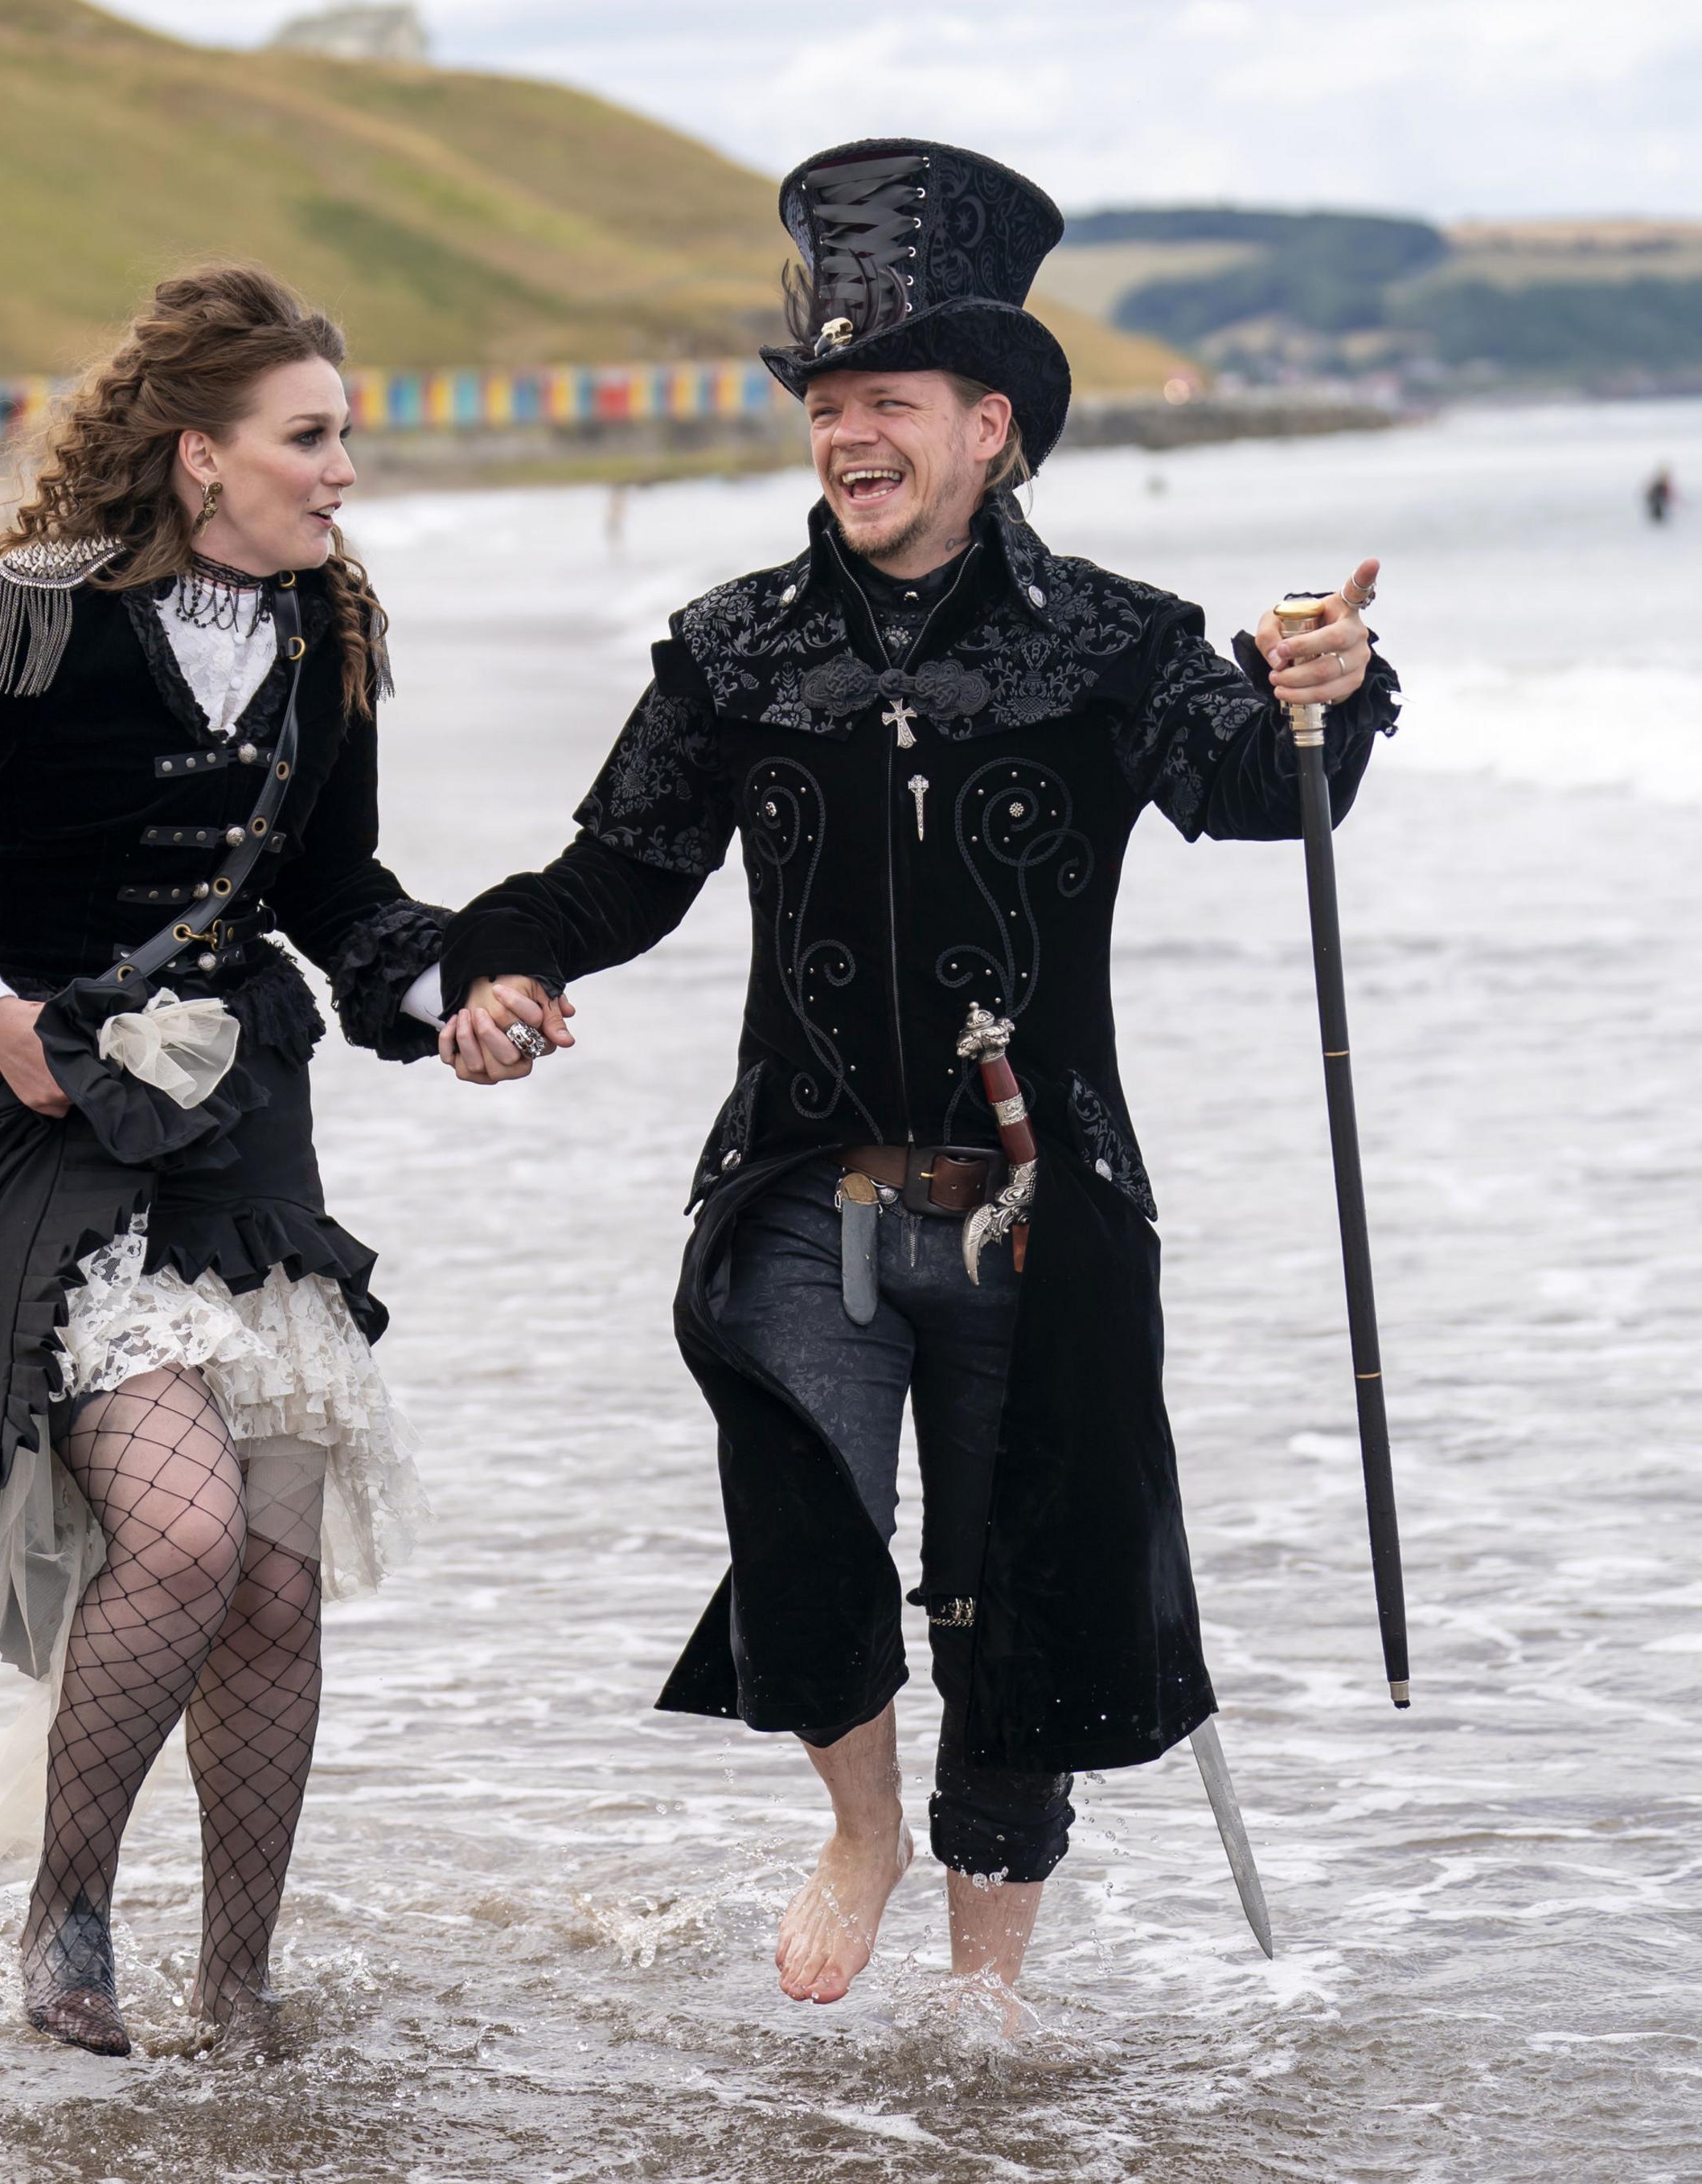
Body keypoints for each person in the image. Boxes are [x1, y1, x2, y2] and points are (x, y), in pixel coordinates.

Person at [434, 140, 1399, 2022]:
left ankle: (985, 1997)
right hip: (803, 1176)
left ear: (989, 430)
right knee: (802, 1496)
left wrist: (1322, 686)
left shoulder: (1111, 644)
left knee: (1015, 1590)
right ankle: (858, 1825)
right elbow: (614, 872)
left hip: (1043, 1195)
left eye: (886, 403)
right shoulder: (735, 652)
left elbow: (1259, 789)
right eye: (824, 404)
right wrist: (499, 965)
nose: (845, 435)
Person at [0, 264, 450, 2052]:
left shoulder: (331, 633)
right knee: (176, 1532)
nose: (343, 473)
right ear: (199, 456)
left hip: (242, 1135)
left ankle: (239, 1989)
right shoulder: (41, 614)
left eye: (344, 436)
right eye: (309, 437)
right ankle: (67, 1917)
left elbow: (338, 897)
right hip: (42, 1136)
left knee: (273, 1577)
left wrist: (461, 990)